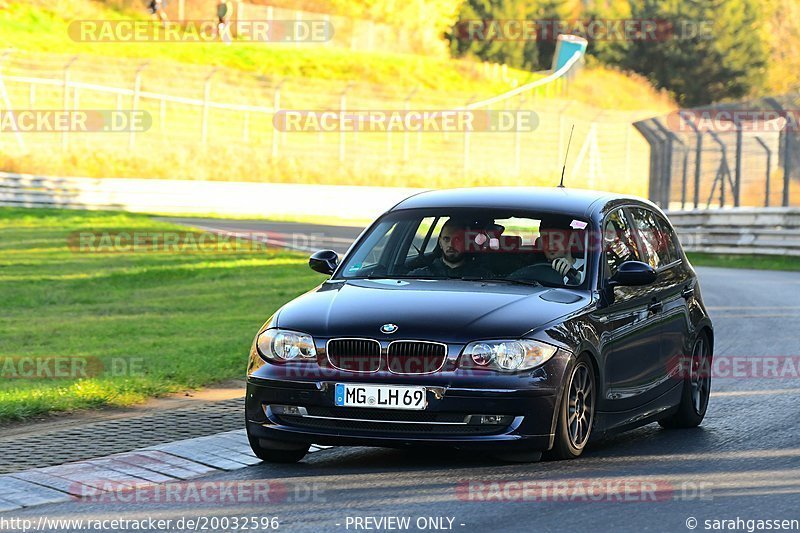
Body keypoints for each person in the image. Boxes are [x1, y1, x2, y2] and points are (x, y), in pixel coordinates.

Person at [408, 219, 492, 278]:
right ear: (440, 243)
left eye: (457, 239)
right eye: (446, 239)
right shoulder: (420, 276)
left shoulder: (482, 277)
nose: (451, 245)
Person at [511, 218, 584, 285]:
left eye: (556, 237)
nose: (550, 243)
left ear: (570, 239)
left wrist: (575, 274)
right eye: (545, 238)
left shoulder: (589, 268)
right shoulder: (532, 268)